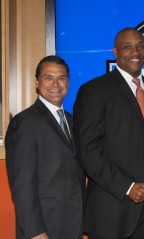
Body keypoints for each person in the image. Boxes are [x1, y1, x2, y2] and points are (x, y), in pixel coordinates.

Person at [73, 27, 144, 239]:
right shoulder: (94, 91)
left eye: (141, 46)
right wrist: (127, 187)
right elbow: (88, 151)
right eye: (127, 47)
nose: (135, 52)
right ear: (115, 51)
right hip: (111, 211)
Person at [5, 56, 85, 239]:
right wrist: (35, 231)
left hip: (73, 223)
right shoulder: (24, 123)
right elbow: (22, 185)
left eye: (62, 78)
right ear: (37, 82)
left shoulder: (74, 121)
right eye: (48, 78)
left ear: (68, 82)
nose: (56, 84)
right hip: (44, 227)